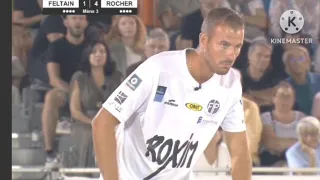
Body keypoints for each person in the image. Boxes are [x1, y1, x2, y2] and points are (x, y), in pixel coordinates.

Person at [92, 8, 252, 180]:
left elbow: (239, 151)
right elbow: (102, 123)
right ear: (204, 40)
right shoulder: (158, 68)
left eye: (238, 46)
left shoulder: (231, 83)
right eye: (224, 44)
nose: (231, 54)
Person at [42, 15, 88, 168]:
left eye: (81, 18)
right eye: (74, 18)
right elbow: (54, 79)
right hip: (66, 91)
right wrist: (74, 93)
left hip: (89, 92)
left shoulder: (92, 46)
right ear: (66, 22)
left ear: (86, 23)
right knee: (51, 97)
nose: (78, 22)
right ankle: (50, 153)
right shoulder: (56, 46)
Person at [69, 41, 122, 170]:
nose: (98, 55)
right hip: (85, 121)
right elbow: (75, 110)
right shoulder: (79, 78)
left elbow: (123, 104)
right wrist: (92, 122)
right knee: (90, 134)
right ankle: (86, 171)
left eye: (102, 51)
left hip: (111, 120)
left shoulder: (117, 77)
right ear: (88, 55)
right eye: (94, 52)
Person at [260, 81, 305, 167]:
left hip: (298, 161)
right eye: (281, 96)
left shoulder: (302, 118)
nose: (285, 100)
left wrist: (283, 143)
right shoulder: (265, 118)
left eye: (288, 97)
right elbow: (272, 144)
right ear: (274, 98)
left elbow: (310, 143)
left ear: (294, 99)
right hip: (274, 163)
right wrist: (299, 143)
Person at [283, 46, 320, 115]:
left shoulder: (318, 80)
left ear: (308, 61)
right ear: (288, 64)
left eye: (301, 58)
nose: (297, 62)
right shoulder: (285, 86)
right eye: (293, 60)